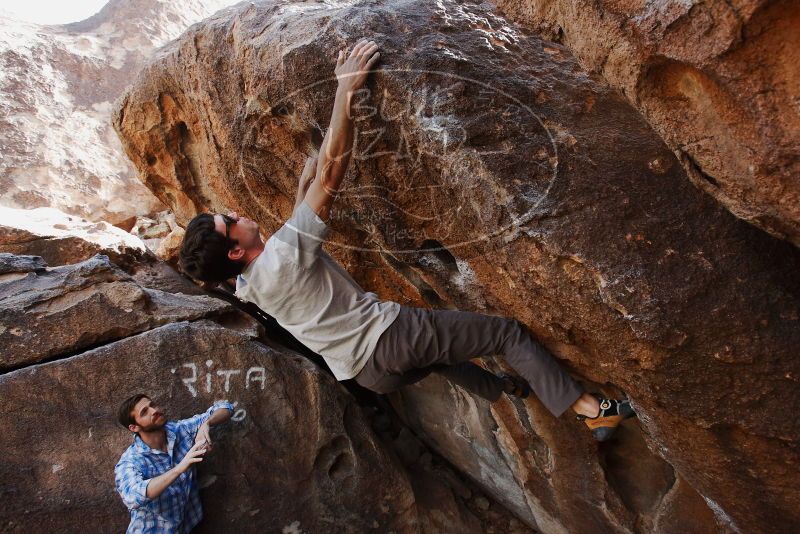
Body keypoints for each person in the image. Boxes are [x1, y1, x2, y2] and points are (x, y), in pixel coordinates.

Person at [179, 39, 634, 441]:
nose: (235, 214)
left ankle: (502, 388)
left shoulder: (247, 285)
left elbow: (294, 228)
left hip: (369, 374)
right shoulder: (281, 259)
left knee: (439, 355)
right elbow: (333, 170)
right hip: (391, 338)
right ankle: (592, 411)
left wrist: (305, 183)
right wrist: (346, 88)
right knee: (505, 333)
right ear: (236, 249)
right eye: (227, 222)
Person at [114, 394, 234, 533]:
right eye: (144, 412)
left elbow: (226, 407)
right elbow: (132, 496)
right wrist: (179, 469)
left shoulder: (180, 430)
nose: (154, 411)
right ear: (134, 427)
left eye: (152, 405)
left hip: (187, 526)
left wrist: (206, 423)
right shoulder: (131, 460)